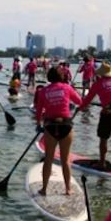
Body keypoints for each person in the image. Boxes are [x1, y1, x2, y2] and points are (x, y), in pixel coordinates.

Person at [35, 67, 82, 195]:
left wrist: (38, 124)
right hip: (66, 125)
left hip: (50, 125)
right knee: (65, 160)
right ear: (62, 76)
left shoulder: (44, 91)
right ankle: (68, 189)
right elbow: (79, 101)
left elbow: (38, 110)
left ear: (49, 77)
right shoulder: (67, 87)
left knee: (48, 158)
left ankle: (44, 189)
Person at [80, 61, 111, 169]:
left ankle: (102, 162)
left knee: (103, 138)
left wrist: (80, 107)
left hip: (108, 112)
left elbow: (88, 99)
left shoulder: (98, 84)